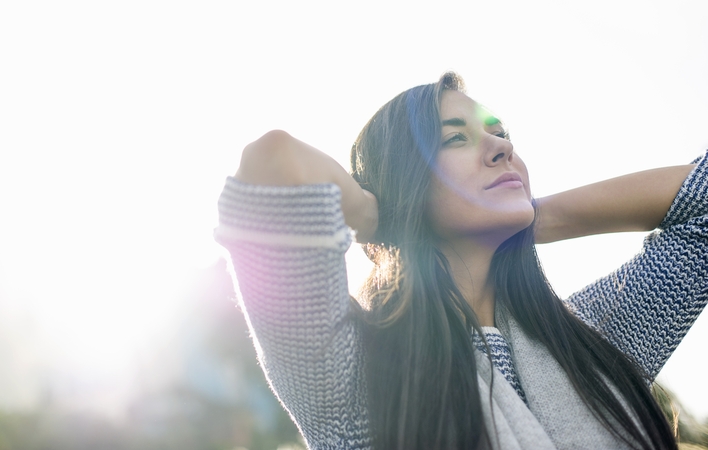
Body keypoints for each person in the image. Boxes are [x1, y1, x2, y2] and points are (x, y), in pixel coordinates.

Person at [215, 72, 707, 449]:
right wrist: (382, 215)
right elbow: (272, 162)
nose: (501, 147)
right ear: (406, 182)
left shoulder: (595, 337)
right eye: (455, 138)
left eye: (499, 133)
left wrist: (532, 217)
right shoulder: (355, 373)